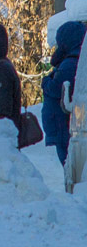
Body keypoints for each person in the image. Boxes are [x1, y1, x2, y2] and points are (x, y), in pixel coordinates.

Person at [45, 21, 86, 165]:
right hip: (64, 124)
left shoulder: (69, 64)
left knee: (69, 163)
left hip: (63, 125)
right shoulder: (76, 61)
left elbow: (57, 88)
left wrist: (46, 82)